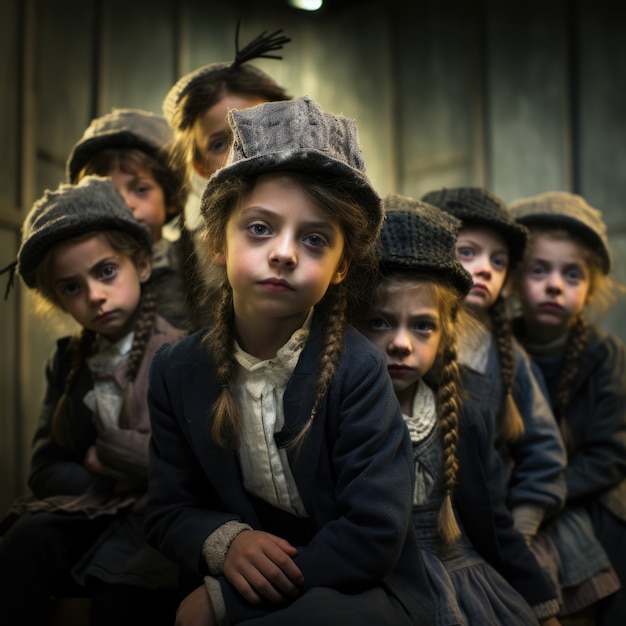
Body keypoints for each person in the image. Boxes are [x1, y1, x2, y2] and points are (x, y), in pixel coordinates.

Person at [144, 96, 435, 626]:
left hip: (354, 584)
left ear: (342, 266)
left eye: (314, 238)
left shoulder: (358, 370)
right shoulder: (176, 371)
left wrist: (224, 601)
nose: (284, 252)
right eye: (259, 227)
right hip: (235, 569)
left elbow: (374, 533)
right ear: (216, 242)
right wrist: (224, 543)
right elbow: (167, 510)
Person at [351, 194, 561, 625]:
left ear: (446, 335)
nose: (402, 343)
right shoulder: (342, 418)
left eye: (423, 326)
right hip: (384, 587)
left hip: (468, 585)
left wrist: (542, 603)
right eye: (380, 322)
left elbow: (493, 522)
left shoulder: (465, 415)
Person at [0, 176, 187, 625]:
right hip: (90, 507)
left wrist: (109, 457)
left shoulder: (182, 352)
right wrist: (110, 484)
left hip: (157, 518)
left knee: (124, 593)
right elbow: (45, 469)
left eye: (106, 272)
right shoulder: (68, 361)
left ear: (141, 264)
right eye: (70, 288)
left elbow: (187, 462)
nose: (94, 297)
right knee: (25, 540)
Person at [421, 186, 567, 548]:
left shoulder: (507, 356)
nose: (485, 268)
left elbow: (543, 453)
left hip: (492, 537)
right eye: (467, 252)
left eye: (498, 261)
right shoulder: (402, 339)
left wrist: (520, 531)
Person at [509, 191, 626, 626]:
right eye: (539, 270)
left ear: (591, 287)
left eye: (571, 274)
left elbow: (609, 455)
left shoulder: (606, 354)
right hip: (518, 491)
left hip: (586, 493)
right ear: (516, 280)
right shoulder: (502, 347)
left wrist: (545, 496)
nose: (554, 284)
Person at [162, 24, 292, 323]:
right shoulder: (182, 257)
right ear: (200, 166)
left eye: (255, 128)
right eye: (220, 143)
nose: (241, 149)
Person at [67, 107, 192, 331]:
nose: (125, 204)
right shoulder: (84, 276)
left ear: (170, 197)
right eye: (109, 193)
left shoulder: (194, 267)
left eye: (141, 189)